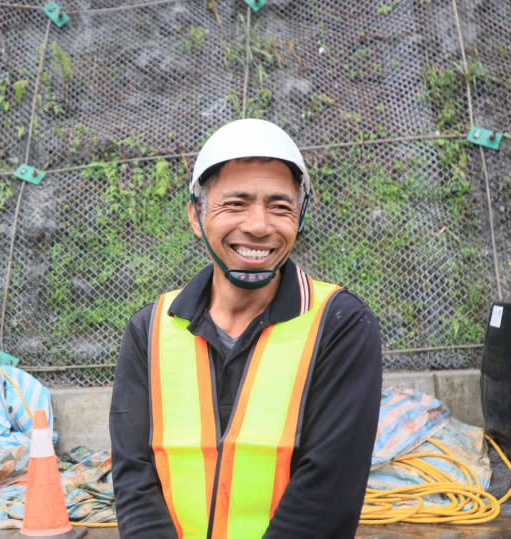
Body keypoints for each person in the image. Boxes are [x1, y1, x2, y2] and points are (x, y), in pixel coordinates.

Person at [109, 118, 382, 538]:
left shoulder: (339, 324)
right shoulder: (150, 329)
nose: (259, 225)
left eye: (280, 206)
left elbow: (326, 494)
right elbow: (135, 479)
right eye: (236, 204)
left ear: (300, 217)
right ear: (197, 215)